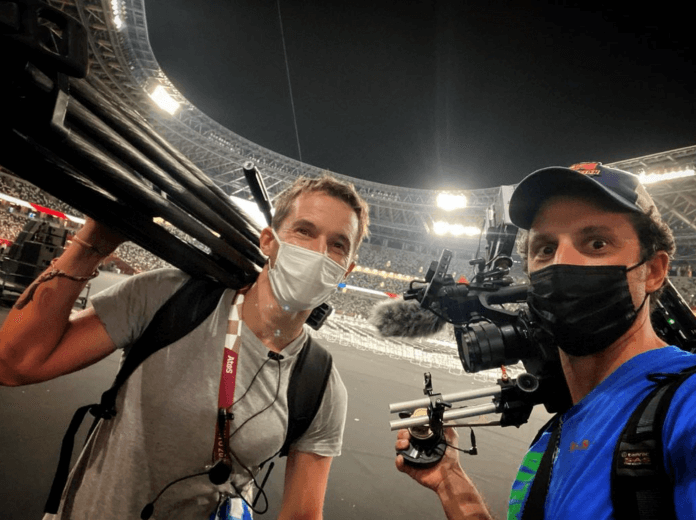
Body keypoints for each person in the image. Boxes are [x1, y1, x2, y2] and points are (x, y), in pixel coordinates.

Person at [0, 175, 370, 519]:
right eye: (304, 232)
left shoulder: (321, 386)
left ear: (347, 270)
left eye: (337, 245)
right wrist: (93, 242)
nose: (319, 252)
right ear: (269, 241)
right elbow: (15, 364)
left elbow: (302, 516)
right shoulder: (170, 296)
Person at [395, 162, 696, 519]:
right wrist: (450, 481)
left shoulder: (685, 407)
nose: (561, 262)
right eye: (544, 248)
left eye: (596, 243)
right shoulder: (554, 433)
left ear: (654, 271)